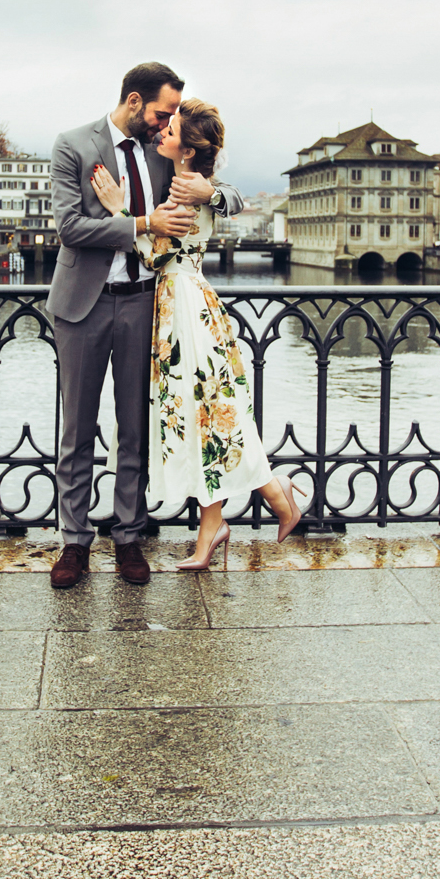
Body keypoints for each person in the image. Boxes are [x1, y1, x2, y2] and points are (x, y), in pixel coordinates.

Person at [45, 63, 242, 589]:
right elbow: (69, 227)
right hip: (82, 305)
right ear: (134, 102)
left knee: (134, 428)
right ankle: (74, 543)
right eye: (161, 112)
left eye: (172, 115)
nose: (166, 123)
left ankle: (129, 537)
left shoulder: (162, 155)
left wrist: (210, 197)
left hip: (145, 305)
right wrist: (139, 221)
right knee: (77, 429)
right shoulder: (73, 146)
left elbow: (224, 197)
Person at [90, 98, 303, 571]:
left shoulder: (186, 188)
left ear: (187, 148)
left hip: (184, 307)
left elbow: (156, 255)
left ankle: (266, 497)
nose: (163, 131)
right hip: (183, 306)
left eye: (172, 129)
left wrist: (117, 209)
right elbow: (222, 203)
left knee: (205, 411)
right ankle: (239, 511)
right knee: (206, 412)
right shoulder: (187, 183)